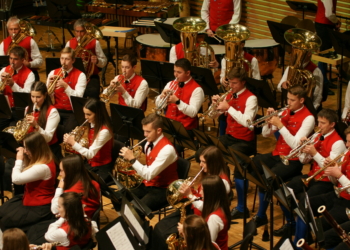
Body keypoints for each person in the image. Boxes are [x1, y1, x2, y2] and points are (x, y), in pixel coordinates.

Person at [247, 85, 315, 228]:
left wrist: (280, 125)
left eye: (292, 100)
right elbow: (266, 134)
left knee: (268, 178)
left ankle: (268, 217)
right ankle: (261, 212)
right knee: (251, 164)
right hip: (277, 154)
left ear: (302, 100)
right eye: (287, 99)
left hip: (293, 160)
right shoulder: (285, 112)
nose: (288, 103)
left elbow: (296, 145)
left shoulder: (309, 118)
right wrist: (268, 121)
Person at [274, 109, 345, 237]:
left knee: (305, 202)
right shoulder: (317, 136)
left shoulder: (338, 143)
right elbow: (303, 160)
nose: (319, 126)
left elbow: (329, 168)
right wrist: (303, 151)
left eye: (323, 123)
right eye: (318, 122)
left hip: (325, 181)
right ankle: (292, 223)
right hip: (312, 175)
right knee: (283, 192)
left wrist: (314, 153)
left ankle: (303, 235)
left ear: (332, 124)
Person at [152, 146, 231, 250]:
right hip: (196, 210)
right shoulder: (208, 174)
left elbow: (206, 242)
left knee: (165, 235)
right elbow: (202, 197)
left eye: (204, 162)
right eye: (200, 161)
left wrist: (190, 194)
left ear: (213, 163)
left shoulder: (222, 183)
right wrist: (190, 190)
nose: (200, 165)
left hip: (200, 217)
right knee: (159, 227)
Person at [211, 68, 257, 220]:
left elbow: (248, 123)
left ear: (243, 82)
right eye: (230, 82)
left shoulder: (251, 99)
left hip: (245, 140)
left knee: (239, 167)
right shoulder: (229, 95)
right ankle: (226, 190)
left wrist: (229, 108)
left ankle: (242, 208)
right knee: (209, 154)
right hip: (230, 136)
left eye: (235, 83)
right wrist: (215, 106)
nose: (231, 86)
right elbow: (216, 115)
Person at [27, 154, 101, 245]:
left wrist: (59, 188)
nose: (60, 174)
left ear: (70, 171)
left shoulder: (71, 192)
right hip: (84, 224)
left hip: (72, 227)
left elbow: (54, 210)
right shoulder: (94, 184)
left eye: (62, 171)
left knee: (35, 234)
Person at [120, 113, 178, 212]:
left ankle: (138, 227)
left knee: (137, 210)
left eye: (148, 132)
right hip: (149, 184)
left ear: (159, 130)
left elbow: (148, 175)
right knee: (120, 197)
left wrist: (132, 159)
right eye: (144, 131)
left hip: (164, 188)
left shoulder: (167, 149)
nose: (144, 135)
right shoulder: (149, 142)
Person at [0, 132, 56, 231]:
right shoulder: (41, 158)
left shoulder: (42, 167)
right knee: (2, 213)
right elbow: (27, 171)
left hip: (39, 207)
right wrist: (25, 159)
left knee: (5, 222)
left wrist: (19, 160)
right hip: (28, 199)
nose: (25, 151)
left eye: (26, 148)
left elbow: (16, 179)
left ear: (34, 149)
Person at [63, 98, 113, 182]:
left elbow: (90, 154)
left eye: (89, 114)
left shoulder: (104, 131)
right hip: (90, 164)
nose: (85, 117)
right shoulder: (90, 124)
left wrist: (73, 142)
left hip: (102, 168)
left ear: (98, 114)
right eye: (84, 114)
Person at [179, 175, 231, 250]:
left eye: (202, 190)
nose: (200, 192)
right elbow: (202, 206)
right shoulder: (218, 204)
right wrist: (190, 195)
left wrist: (186, 231)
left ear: (210, 193)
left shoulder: (214, 218)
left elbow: (207, 242)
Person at [155, 58, 204, 131]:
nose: (175, 75)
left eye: (179, 72)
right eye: (174, 71)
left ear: (187, 73)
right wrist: (162, 95)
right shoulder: (170, 84)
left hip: (186, 129)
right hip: (168, 125)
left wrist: (178, 102)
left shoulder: (197, 90)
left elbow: (193, 112)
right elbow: (159, 106)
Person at [46, 47, 87, 134]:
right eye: (62, 58)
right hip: (56, 109)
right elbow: (46, 96)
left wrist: (66, 86)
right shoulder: (52, 73)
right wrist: (49, 87)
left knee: (67, 132)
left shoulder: (81, 75)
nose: (63, 62)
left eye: (67, 59)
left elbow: (79, 96)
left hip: (72, 111)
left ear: (73, 60)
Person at [66, 19, 107, 100]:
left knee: (93, 94)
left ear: (86, 31)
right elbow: (64, 61)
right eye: (77, 31)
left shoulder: (95, 43)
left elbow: (104, 61)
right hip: (74, 76)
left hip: (91, 77)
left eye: (81, 31)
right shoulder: (69, 43)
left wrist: (97, 61)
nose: (79, 34)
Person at [0, 46, 35, 131]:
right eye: (10, 58)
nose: (12, 62)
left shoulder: (30, 74)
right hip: (5, 108)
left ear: (23, 60)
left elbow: (26, 94)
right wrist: (1, 81)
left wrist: (13, 85)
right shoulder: (4, 70)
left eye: (15, 59)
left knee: (15, 131)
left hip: (20, 110)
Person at [0, 16, 43, 81]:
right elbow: (2, 62)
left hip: (29, 73)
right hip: (11, 75)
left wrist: (29, 64)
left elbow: (40, 60)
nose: (13, 31)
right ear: (7, 30)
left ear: (20, 28)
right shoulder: (4, 43)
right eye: (11, 29)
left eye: (16, 29)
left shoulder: (30, 41)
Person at [315, 0, 340, 97]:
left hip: (324, 25)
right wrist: (336, 21)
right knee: (323, 56)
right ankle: (323, 84)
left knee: (326, 55)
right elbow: (329, 14)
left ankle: (325, 81)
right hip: (323, 26)